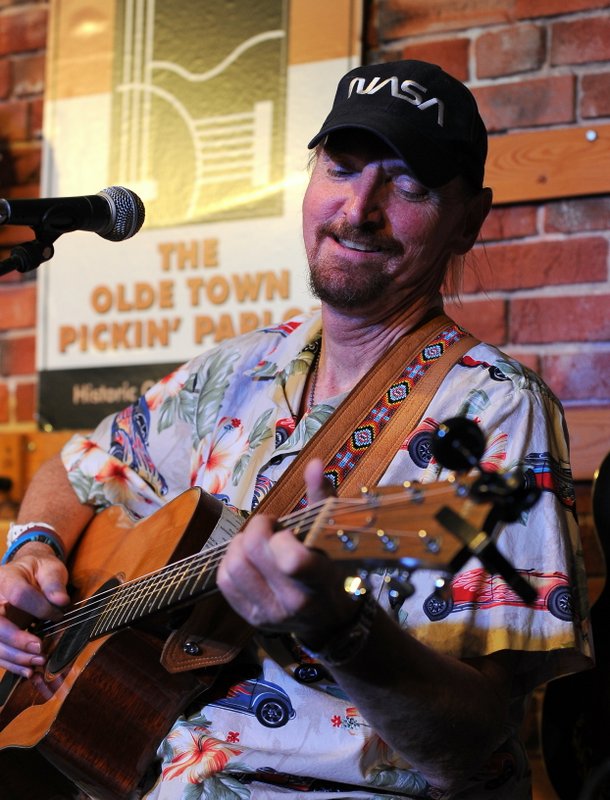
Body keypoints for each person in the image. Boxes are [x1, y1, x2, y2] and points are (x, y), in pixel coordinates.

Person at [0, 60, 593, 800]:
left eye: (408, 185)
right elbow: (75, 468)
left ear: (469, 219)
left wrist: (341, 628)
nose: (358, 209)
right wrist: (32, 551)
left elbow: (471, 748)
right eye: (341, 169)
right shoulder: (237, 368)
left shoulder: (497, 413)